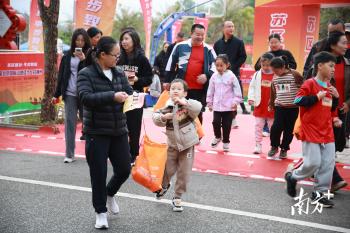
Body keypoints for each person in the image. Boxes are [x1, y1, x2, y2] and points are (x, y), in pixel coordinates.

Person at [77, 36, 133, 229]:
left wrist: (135, 98)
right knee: (98, 173)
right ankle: (100, 212)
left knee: (125, 169)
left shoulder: (119, 73)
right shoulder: (86, 73)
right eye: (115, 55)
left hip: (119, 130)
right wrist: (112, 96)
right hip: (96, 131)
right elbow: (85, 98)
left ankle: (110, 193)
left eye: (119, 55)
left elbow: (128, 94)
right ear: (102, 55)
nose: (118, 58)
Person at [285, 51, 341, 208]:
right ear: (320, 66)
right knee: (313, 163)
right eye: (330, 66)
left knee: (327, 164)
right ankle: (293, 176)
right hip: (311, 130)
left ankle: (319, 194)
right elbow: (297, 100)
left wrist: (335, 103)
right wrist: (316, 97)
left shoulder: (331, 87)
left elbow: (331, 109)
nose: (333, 70)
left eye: (334, 67)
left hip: (327, 131)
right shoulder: (309, 84)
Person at [152, 79, 202, 212]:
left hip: (187, 146)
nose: (175, 90)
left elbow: (198, 107)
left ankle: (177, 196)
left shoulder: (188, 106)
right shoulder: (166, 106)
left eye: (178, 89)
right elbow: (155, 118)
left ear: (185, 93)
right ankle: (163, 186)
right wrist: (164, 117)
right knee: (167, 170)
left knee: (184, 173)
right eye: (172, 88)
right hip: (172, 145)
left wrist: (183, 102)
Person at [165, 24, 216, 123]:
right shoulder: (180, 46)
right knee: (180, 113)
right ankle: (180, 136)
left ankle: (197, 138)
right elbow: (170, 63)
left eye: (202, 35)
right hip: (181, 89)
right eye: (197, 34)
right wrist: (167, 80)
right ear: (191, 33)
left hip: (199, 89)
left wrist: (207, 75)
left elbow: (215, 65)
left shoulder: (208, 49)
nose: (200, 37)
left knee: (197, 114)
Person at [53, 28, 91, 163]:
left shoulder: (90, 55)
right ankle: (69, 154)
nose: (80, 43)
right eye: (77, 40)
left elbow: (93, 73)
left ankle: (92, 153)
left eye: (82, 40)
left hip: (85, 94)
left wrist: (84, 60)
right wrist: (56, 94)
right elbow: (61, 76)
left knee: (88, 122)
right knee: (70, 123)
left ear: (86, 41)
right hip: (69, 94)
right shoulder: (67, 56)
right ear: (74, 40)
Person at [117, 28, 153, 164]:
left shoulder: (141, 58)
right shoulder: (118, 57)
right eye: (122, 39)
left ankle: (133, 155)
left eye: (126, 39)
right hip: (120, 95)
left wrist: (137, 80)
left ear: (134, 41)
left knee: (134, 126)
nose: (123, 42)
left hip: (136, 96)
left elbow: (149, 78)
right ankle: (121, 152)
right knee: (120, 125)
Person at [268, 56, 303, 159]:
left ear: (283, 67)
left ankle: (284, 148)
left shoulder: (295, 74)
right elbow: (273, 91)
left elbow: (303, 88)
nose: (274, 72)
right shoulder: (275, 77)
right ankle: (274, 146)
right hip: (280, 106)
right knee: (276, 127)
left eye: (276, 70)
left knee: (289, 130)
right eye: (273, 70)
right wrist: (271, 103)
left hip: (293, 108)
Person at [206, 54, 242, 152]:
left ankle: (226, 141)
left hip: (228, 106)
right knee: (215, 122)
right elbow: (210, 90)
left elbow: (237, 89)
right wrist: (209, 102)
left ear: (227, 65)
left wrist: (235, 101)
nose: (219, 68)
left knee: (227, 125)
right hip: (217, 106)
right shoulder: (214, 76)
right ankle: (217, 137)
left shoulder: (231, 76)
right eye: (217, 65)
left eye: (221, 65)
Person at [213, 21, 249, 116]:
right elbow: (214, 58)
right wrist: (219, 68)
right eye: (229, 26)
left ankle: (237, 113)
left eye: (233, 26)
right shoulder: (217, 44)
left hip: (233, 72)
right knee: (222, 93)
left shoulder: (239, 42)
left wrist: (233, 67)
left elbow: (243, 57)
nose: (231, 28)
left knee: (237, 92)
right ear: (223, 29)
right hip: (220, 74)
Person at [248, 52, 275, 154]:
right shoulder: (257, 75)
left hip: (272, 106)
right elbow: (252, 87)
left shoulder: (276, 74)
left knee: (273, 127)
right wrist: (251, 98)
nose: (265, 67)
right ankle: (258, 145)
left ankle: (273, 145)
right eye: (263, 65)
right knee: (258, 126)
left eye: (268, 65)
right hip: (260, 105)